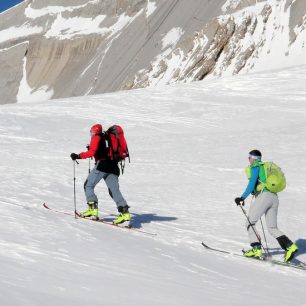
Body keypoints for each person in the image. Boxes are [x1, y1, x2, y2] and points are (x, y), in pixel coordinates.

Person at [235, 149, 298, 262]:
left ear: (254, 158)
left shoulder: (256, 166)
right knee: (272, 228)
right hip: (274, 197)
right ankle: (290, 247)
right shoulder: (265, 168)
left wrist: (242, 197)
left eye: (249, 157)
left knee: (250, 222)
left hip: (264, 196)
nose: (248, 159)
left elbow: (252, 183)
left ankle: (256, 249)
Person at [70, 123, 131, 225]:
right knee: (114, 191)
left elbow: (92, 152)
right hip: (113, 166)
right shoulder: (107, 137)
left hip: (102, 166)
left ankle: (92, 210)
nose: (91, 134)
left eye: (92, 132)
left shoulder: (97, 137)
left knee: (88, 185)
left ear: (95, 131)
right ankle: (125, 214)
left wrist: (78, 156)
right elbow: (103, 150)